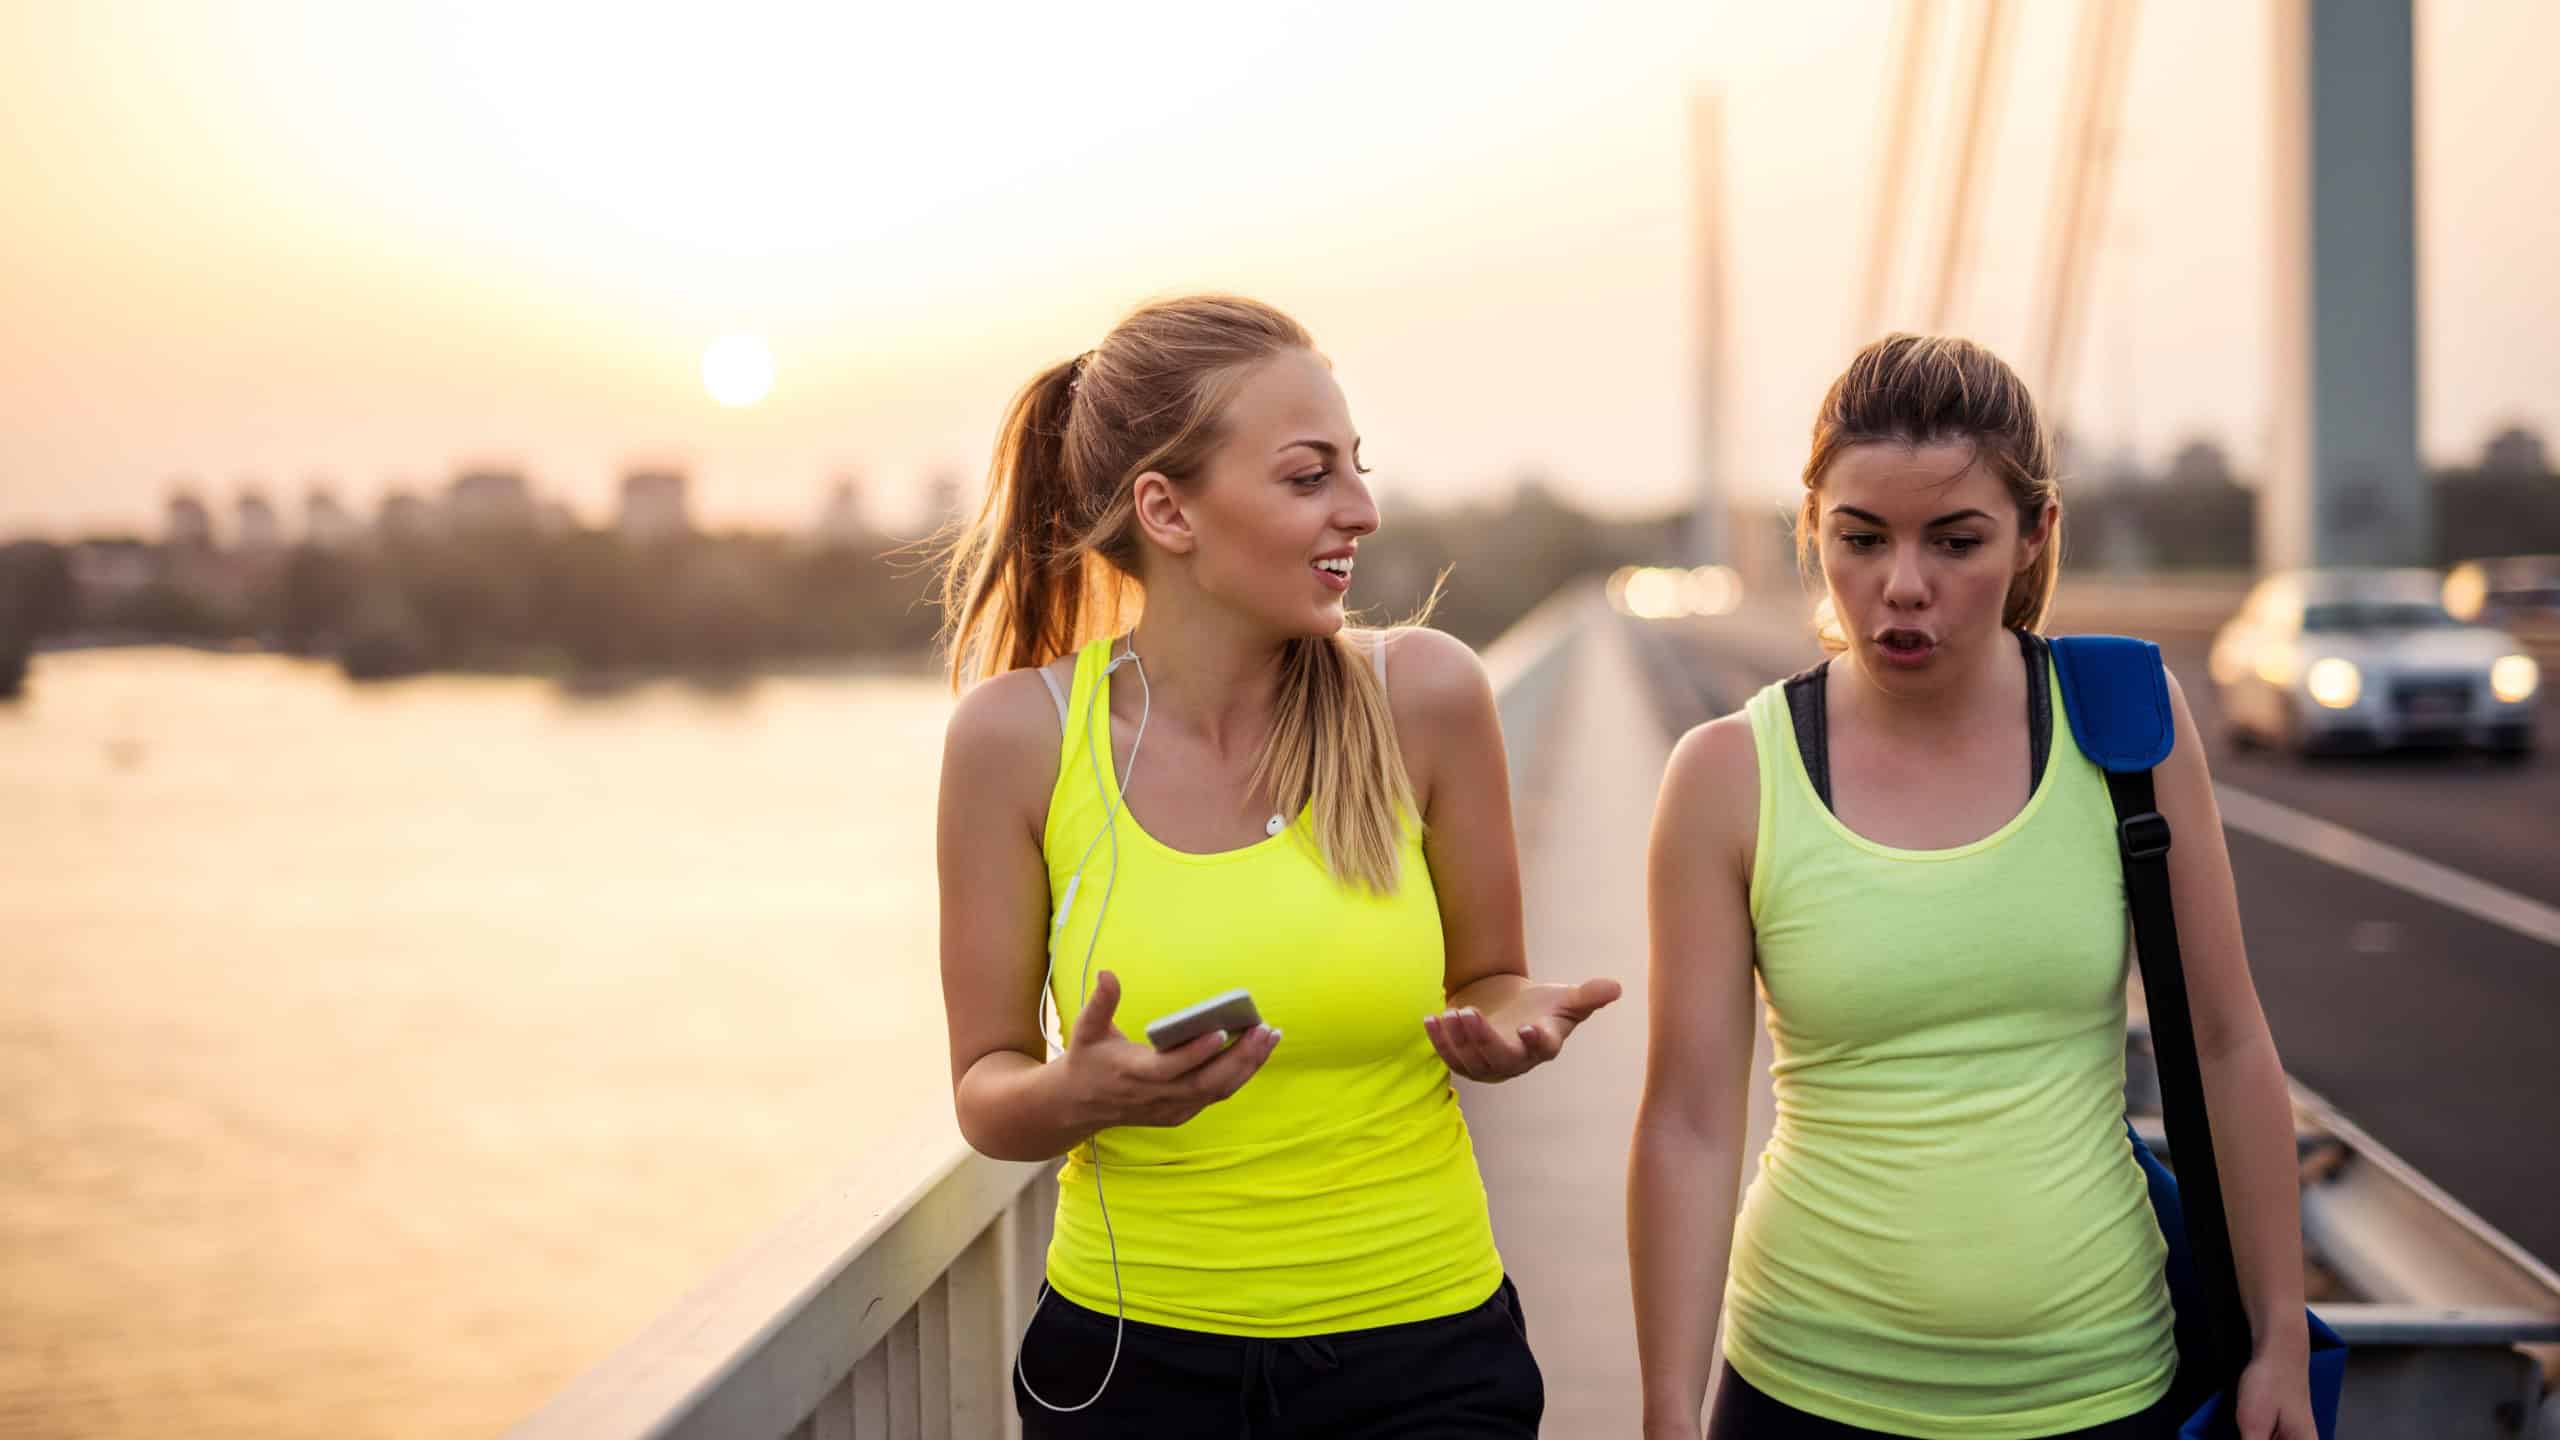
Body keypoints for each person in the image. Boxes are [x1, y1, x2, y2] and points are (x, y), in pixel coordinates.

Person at [932, 293, 1619, 1437]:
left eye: (1356, 467)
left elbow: (1489, 975)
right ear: (1166, 509)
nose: (1363, 508)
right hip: (1128, 1372)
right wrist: (1072, 1093)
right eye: (1310, 478)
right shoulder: (1016, 742)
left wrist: (1512, 1022)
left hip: (1424, 1353)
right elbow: (985, 1090)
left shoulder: (1429, 698)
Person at [1629, 335, 2317, 1439]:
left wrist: (2279, 1335)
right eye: (1860, 539)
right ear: (1812, 526)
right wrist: (1665, 1410)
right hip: (1803, 1390)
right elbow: (1689, 1122)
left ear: (2035, 532)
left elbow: (2229, 1042)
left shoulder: (2127, 733)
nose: (1903, 587)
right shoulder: (1726, 775)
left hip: (2104, 1389)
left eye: (1955, 542)